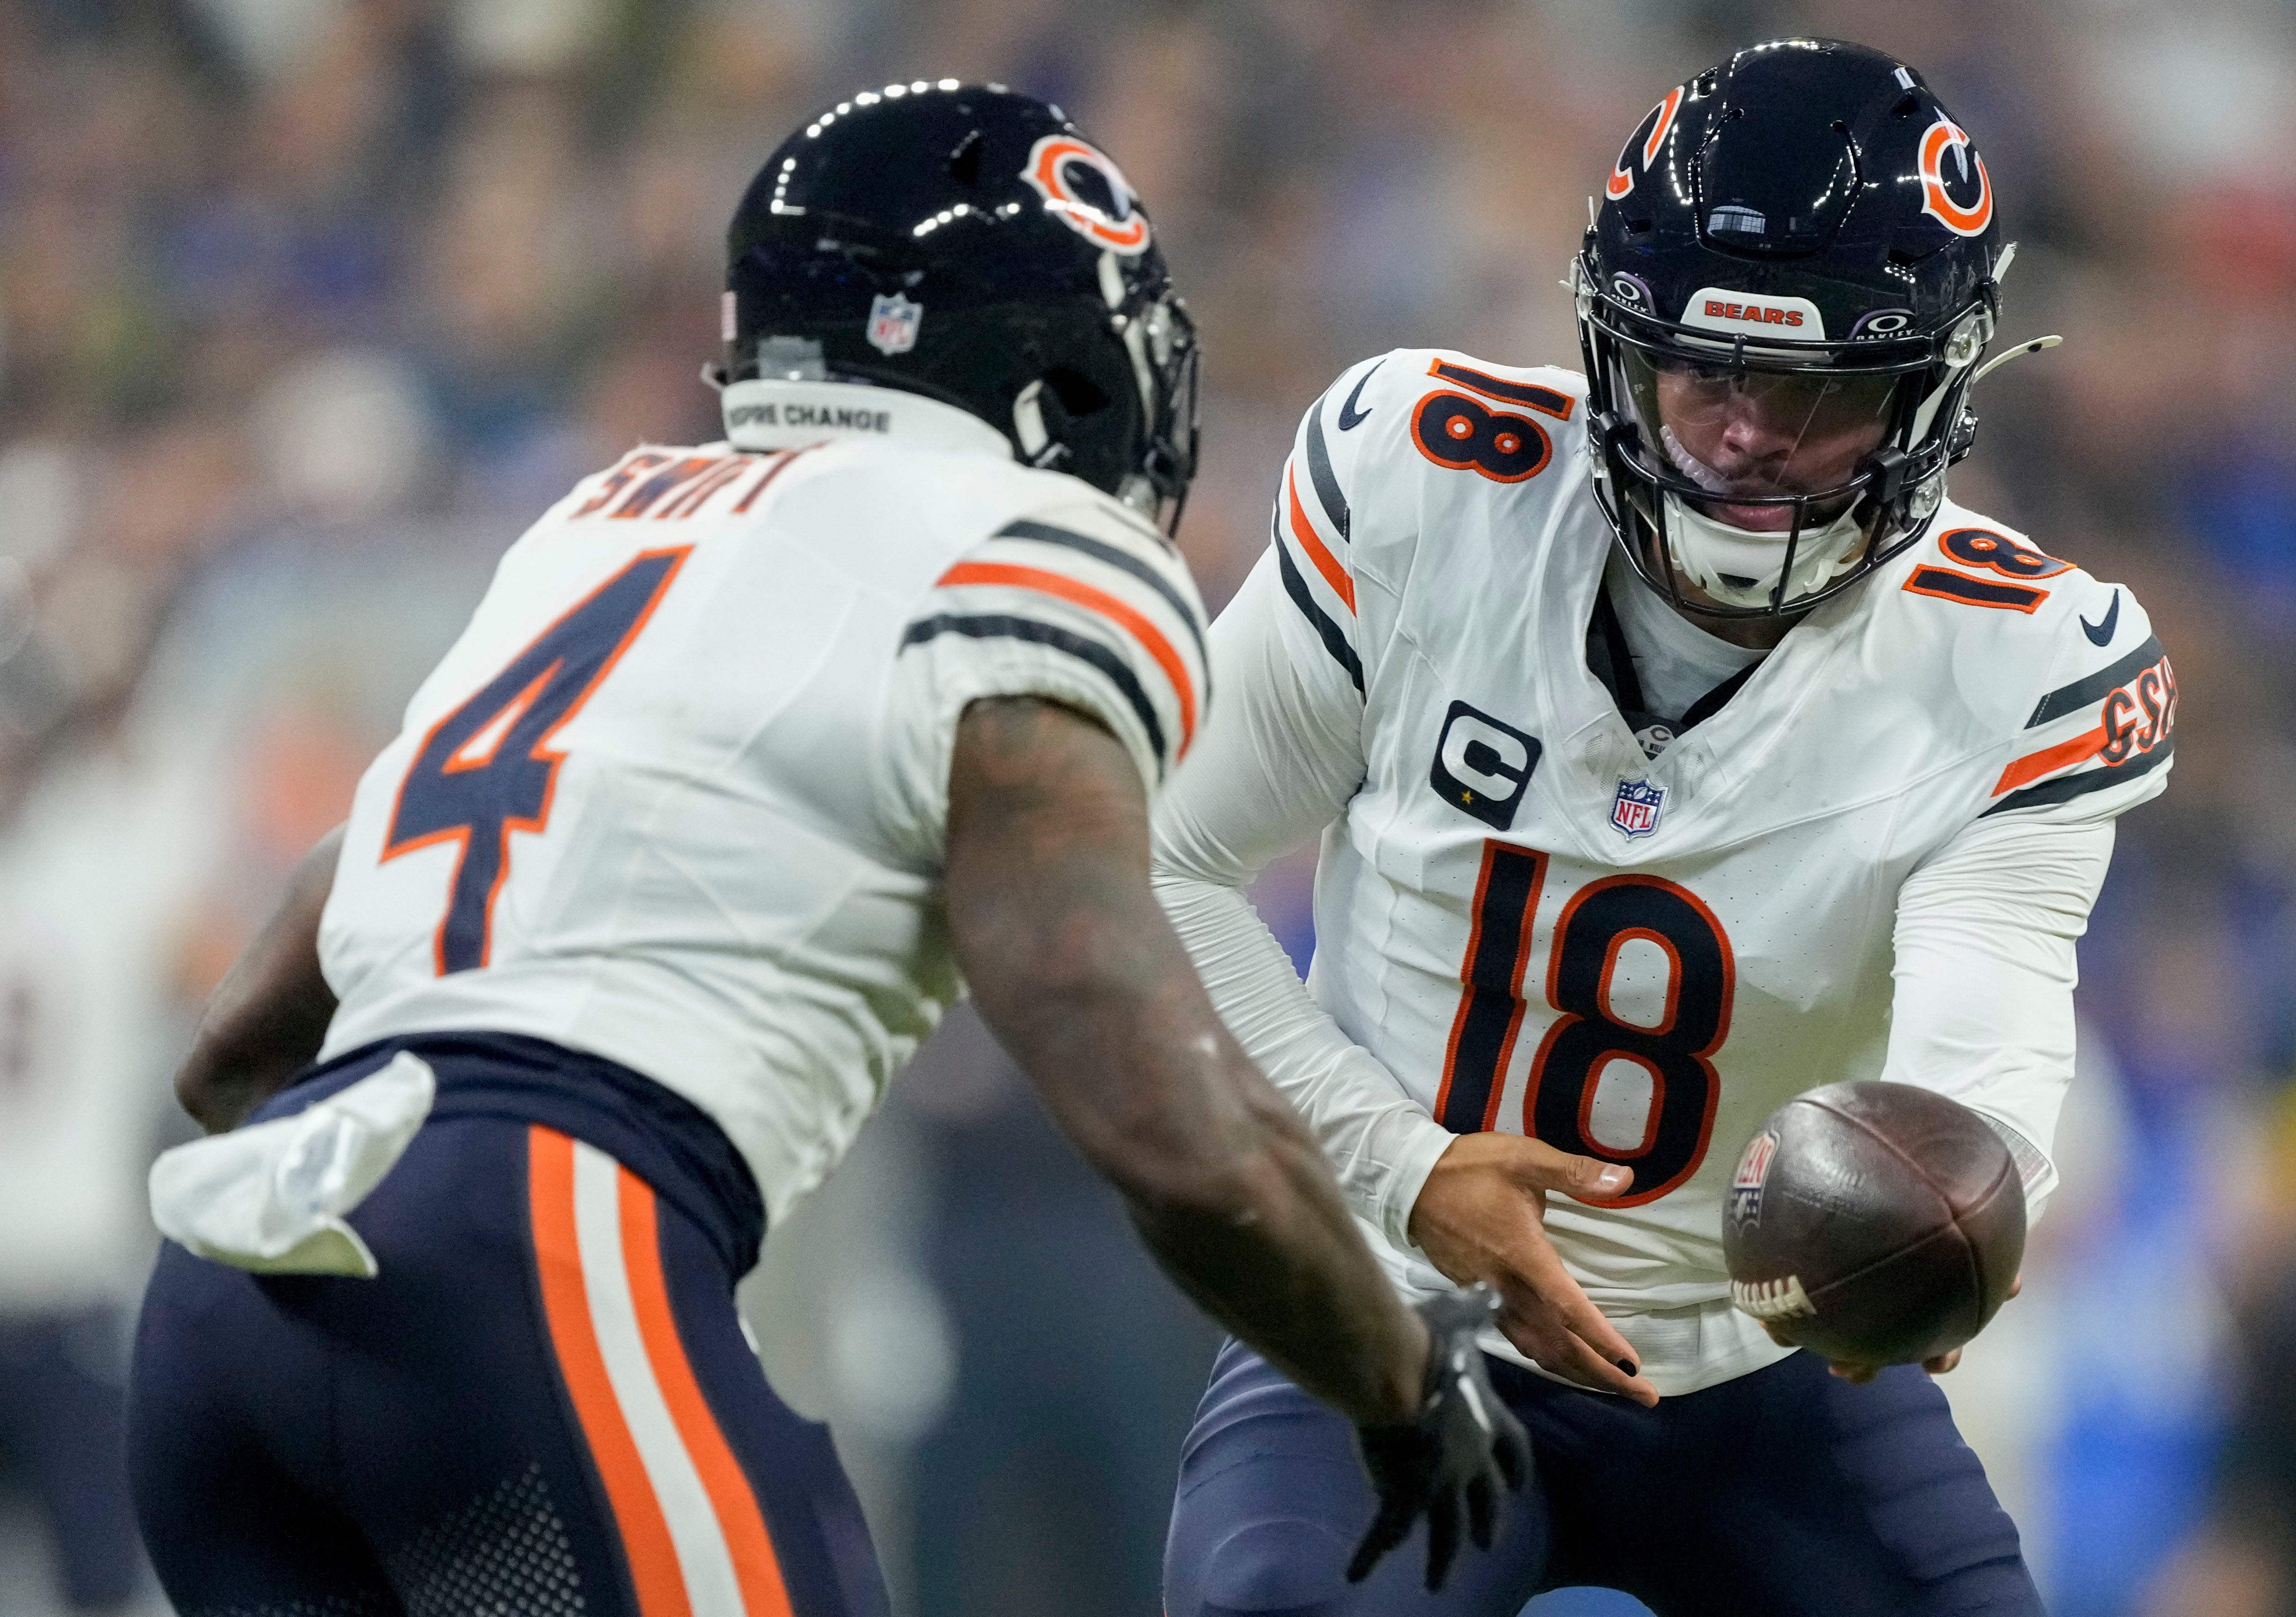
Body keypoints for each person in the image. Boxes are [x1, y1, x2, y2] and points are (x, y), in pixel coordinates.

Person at [126, 85, 1530, 1617]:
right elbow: (1143, 1094)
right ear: (1051, 362)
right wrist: (1394, 1376)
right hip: (539, 1241)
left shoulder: (607, 520)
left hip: (223, 1317)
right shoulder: (1030, 543)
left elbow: (237, 1046)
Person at [1156, 37, 2174, 1617]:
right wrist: (1403, 1164)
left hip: (1772, 1355)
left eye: (1818, 387)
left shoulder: (2023, 658)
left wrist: (1973, 1206)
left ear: (1932, 388)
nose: (1749, 433)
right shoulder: (1428, 490)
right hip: (1402, 1311)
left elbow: (1991, 1040)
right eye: (1711, 369)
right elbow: (1155, 864)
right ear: (1616, 345)